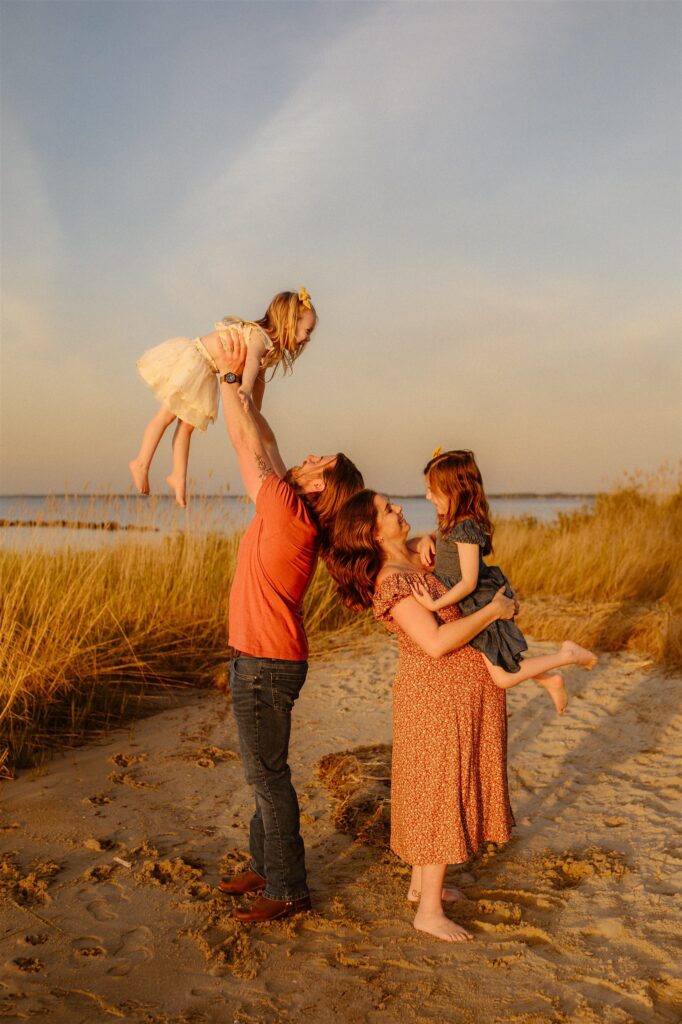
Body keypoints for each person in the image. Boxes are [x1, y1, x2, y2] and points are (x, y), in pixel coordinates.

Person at [212, 328, 364, 923]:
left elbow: (242, 437)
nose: (307, 457)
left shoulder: (287, 510)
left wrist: (229, 378)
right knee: (266, 772)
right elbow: (264, 435)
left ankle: (289, 889)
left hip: (265, 664)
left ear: (322, 482)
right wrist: (256, 370)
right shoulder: (293, 505)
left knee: (268, 778)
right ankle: (263, 864)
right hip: (269, 660)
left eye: (318, 460)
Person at [327, 489, 518, 943]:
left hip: (456, 694)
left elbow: (454, 550)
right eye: (387, 510)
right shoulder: (392, 581)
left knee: (435, 787)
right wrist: (493, 612)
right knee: (438, 791)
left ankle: (421, 886)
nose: (398, 509)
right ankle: (428, 912)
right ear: (373, 532)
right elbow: (434, 642)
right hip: (434, 699)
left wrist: (432, 538)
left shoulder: (412, 558)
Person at [410, 450, 597, 714]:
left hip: (478, 601)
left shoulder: (465, 528)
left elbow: (469, 582)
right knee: (505, 658)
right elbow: (446, 544)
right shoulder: (451, 522)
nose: (428, 496)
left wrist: (435, 603)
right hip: (471, 602)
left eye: (432, 490)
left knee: (503, 677)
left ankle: (566, 656)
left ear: (454, 490)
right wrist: (429, 538)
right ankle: (550, 680)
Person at [129, 288, 316, 507]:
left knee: (187, 426)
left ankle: (178, 477)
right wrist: (244, 387)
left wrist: (254, 408)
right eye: (307, 330)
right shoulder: (259, 336)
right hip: (196, 359)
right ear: (289, 323)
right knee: (165, 416)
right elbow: (252, 363)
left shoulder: (270, 347)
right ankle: (141, 462)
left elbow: (259, 379)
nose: (308, 338)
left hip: (206, 370)